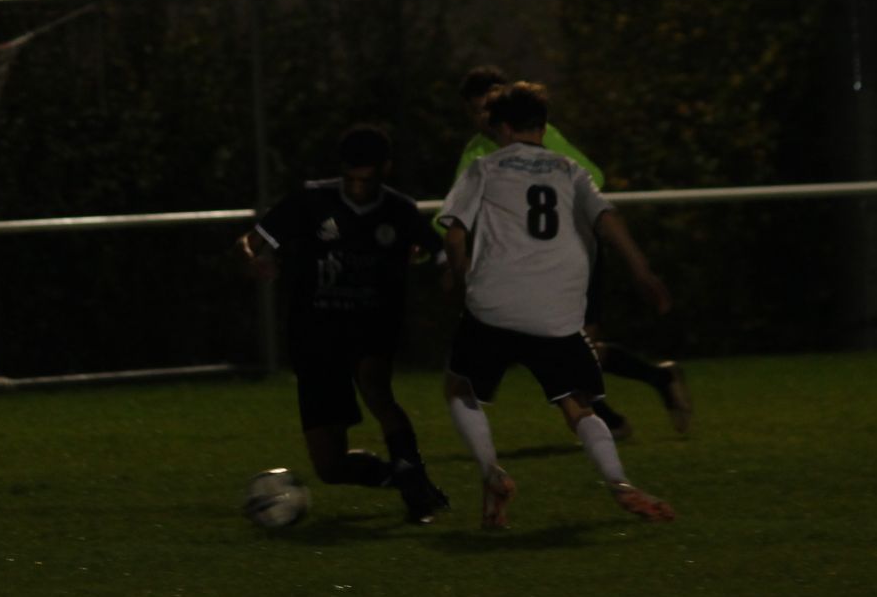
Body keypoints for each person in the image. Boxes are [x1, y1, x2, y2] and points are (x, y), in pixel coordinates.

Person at [437, 81, 677, 529]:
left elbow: (453, 235)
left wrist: (462, 277)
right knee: (577, 404)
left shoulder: (484, 168)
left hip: (494, 304)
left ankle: (491, 473)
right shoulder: (570, 170)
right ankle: (619, 482)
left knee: (460, 388)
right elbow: (607, 219)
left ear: (503, 128)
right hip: (557, 310)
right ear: (543, 127)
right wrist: (643, 272)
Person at [448, 64, 692, 438]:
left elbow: (592, 179)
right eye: (477, 110)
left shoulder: (544, 141)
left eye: (490, 107)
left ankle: (618, 415)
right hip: (527, 263)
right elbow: (454, 219)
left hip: (573, 251)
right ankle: (640, 394)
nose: (485, 117)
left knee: (569, 347)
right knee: (565, 347)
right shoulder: (477, 153)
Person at [237, 123, 451, 522]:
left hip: (372, 322)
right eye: (350, 179)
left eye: (365, 180)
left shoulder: (400, 210)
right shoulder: (311, 201)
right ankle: (405, 477)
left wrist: (450, 273)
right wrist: (254, 259)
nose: (356, 188)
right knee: (330, 467)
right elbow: (252, 239)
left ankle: (415, 490)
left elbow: (443, 253)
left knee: (375, 386)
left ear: (385, 170)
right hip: (314, 332)